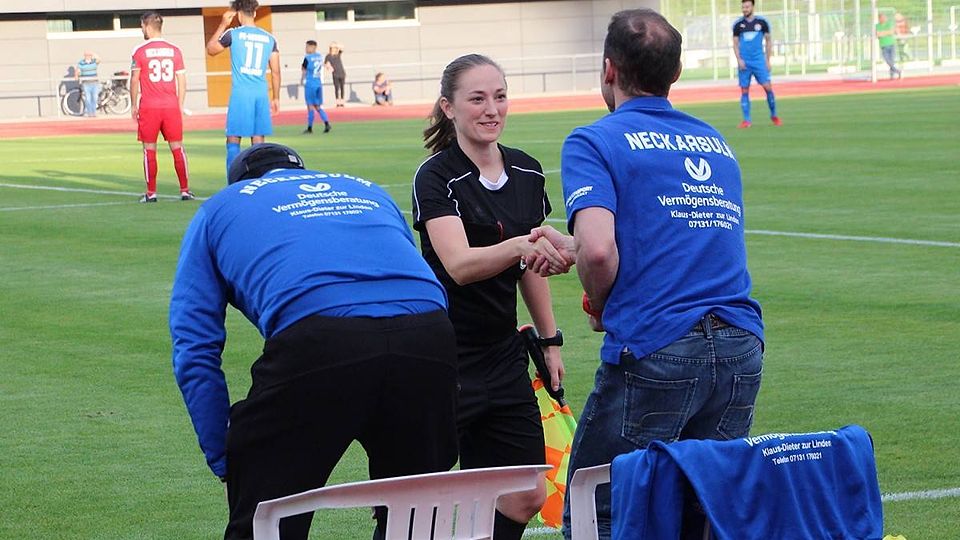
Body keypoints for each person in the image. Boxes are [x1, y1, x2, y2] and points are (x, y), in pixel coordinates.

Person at [525, 9, 765, 539]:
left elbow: (600, 252)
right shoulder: (715, 142)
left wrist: (599, 302)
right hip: (740, 344)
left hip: (660, 344)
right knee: (704, 510)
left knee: (597, 509)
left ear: (608, 69)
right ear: (674, 73)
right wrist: (575, 248)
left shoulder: (594, 140)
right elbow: (674, 241)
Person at [170, 143, 460, 540]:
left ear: (240, 182)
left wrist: (227, 461)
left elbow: (195, 348)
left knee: (267, 521)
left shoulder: (219, 207)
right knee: (413, 519)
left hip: (322, 340)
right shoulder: (367, 189)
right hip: (429, 335)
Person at [412, 53, 569, 540]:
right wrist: (520, 246)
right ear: (448, 107)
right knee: (420, 499)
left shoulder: (528, 171)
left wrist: (550, 340)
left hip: (503, 356)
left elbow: (532, 268)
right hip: (443, 357)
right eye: (477, 99)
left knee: (525, 492)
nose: (492, 109)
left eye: (500, 97)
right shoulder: (435, 176)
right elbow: (459, 265)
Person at [205, 0, 280, 175]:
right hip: (260, 94)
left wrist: (223, 24)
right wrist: (276, 97)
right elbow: (275, 72)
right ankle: (259, 181)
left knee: (233, 140)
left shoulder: (233, 34)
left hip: (241, 93)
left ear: (238, 14)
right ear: (255, 13)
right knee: (258, 141)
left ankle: (233, 182)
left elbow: (211, 49)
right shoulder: (270, 39)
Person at [130, 11, 194, 203]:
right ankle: (185, 190)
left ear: (148, 27)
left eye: (142, 26)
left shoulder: (140, 51)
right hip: (171, 105)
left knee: (149, 149)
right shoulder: (175, 50)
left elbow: (134, 80)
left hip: (149, 106)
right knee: (177, 148)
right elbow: (182, 80)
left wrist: (133, 104)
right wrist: (179, 104)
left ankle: (151, 193)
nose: (142, 30)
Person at [732, 0, 781, 128]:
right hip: (745, 62)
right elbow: (735, 44)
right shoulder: (738, 25)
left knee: (768, 87)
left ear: (753, 7)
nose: (745, 9)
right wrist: (739, 60)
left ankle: (774, 115)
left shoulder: (762, 23)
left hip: (759, 61)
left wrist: (767, 60)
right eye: (743, 7)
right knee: (744, 90)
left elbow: (768, 41)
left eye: (747, 7)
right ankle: (746, 120)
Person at [300, 39, 331, 133]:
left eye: (307, 47)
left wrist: (302, 79)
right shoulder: (319, 56)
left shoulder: (307, 58)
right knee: (317, 106)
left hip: (310, 84)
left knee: (310, 106)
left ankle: (310, 128)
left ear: (312, 47)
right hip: (318, 83)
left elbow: (304, 69)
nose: (306, 49)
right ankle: (327, 123)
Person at [877, 13, 902, 80]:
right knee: (888, 61)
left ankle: (892, 75)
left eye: (884, 17)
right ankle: (897, 71)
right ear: (879, 19)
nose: (884, 19)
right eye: (882, 18)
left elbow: (891, 32)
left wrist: (883, 33)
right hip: (883, 46)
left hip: (891, 45)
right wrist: (885, 33)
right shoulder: (877, 26)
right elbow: (878, 35)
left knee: (892, 61)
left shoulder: (889, 24)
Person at [76, 51, 101, 117]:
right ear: (84, 56)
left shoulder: (94, 61)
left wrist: (94, 54)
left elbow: (99, 59)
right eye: (86, 55)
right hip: (86, 83)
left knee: (95, 98)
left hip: (94, 83)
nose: (88, 56)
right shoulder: (81, 63)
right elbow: (77, 70)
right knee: (88, 98)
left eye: (89, 55)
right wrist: (76, 76)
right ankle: (89, 113)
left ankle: (94, 112)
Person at [324, 42, 346, 107]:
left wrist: (336, 45)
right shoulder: (328, 56)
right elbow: (325, 64)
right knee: (336, 88)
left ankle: (342, 102)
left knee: (342, 88)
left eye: (334, 48)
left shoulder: (338, 54)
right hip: (335, 74)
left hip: (342, 73)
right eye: (332, 48)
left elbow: (342, 47)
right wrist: (329, 67)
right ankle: (337, 103)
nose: (333, 49)